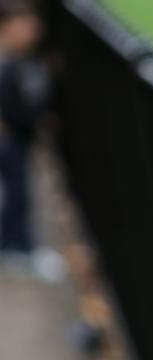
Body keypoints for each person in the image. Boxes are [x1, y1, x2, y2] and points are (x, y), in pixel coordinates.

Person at [0, 0, 50, 273]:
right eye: (25, 23)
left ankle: (19, 244)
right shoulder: (7, 63)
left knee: (20, 192)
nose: (33, 29)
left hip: (19, 137)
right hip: (10, 140)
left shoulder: (25, 60)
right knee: (16, 193)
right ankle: (16, 247)